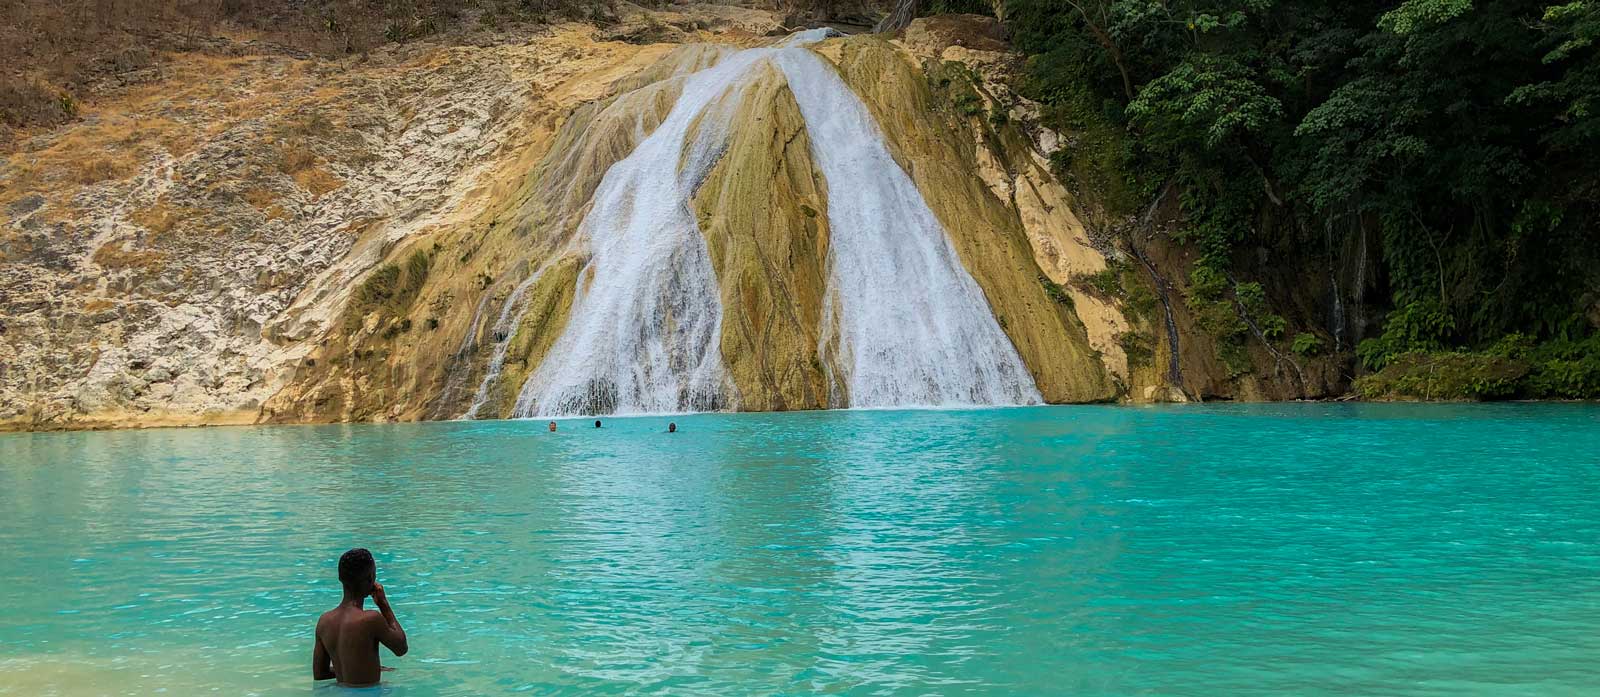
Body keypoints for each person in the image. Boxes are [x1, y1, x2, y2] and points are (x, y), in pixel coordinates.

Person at [313, 548, 408, 687]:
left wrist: (353, 671)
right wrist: (383, 604)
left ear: (340, 578)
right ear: (371, 578)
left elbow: (320, 674)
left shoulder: (324, 621)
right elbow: (401, 648)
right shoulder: (371, 619)